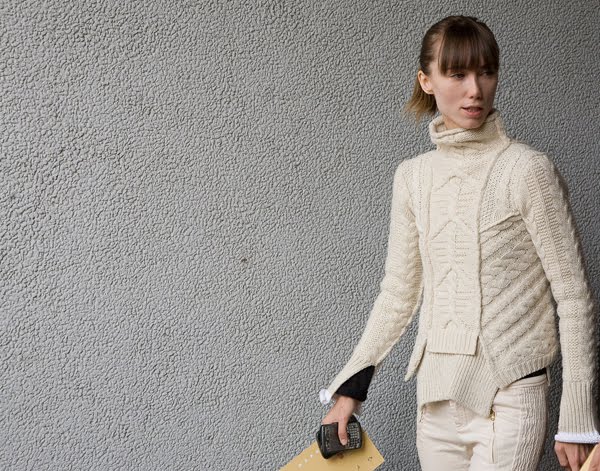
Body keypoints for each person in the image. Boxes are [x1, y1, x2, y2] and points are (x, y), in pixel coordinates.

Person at [320, 15, 600, 471]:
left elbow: (573, 296)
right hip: (435, 399)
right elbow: (398, 293)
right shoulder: (412, 177)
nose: (475, 90)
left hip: (510, 395)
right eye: (457, 74)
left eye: (486, 72)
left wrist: (576, 417)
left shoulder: (527, 170)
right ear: (426, 81)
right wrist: (349, 390)